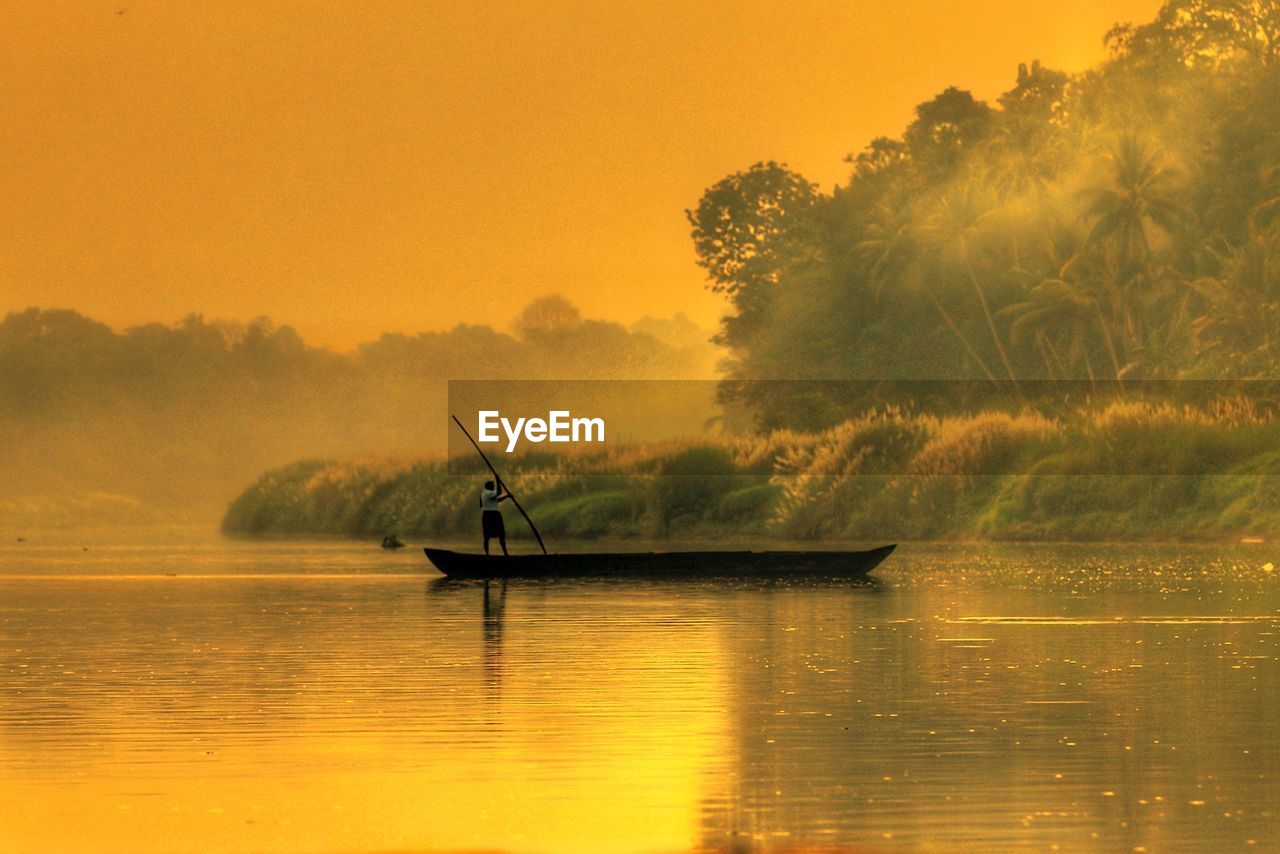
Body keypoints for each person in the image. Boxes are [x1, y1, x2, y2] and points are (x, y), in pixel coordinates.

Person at [480, 479, 510, 556]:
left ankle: (504, 553)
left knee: (499, 535)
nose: (493, 486)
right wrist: (498, 481)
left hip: (488, 515)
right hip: (492, 515)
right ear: (488, 487)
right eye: (492, 485)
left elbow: (496, 500)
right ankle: (503, 553)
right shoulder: (488, 493)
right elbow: (499, 492)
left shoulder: (484, 494)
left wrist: (506, 496)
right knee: (491, 536)